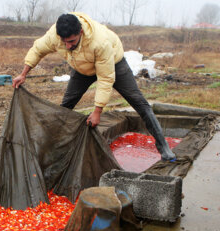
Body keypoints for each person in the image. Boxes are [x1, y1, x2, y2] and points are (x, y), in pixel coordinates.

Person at [12, 12, 176, 162]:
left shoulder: (100, 42)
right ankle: (52, 151)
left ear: (80, 32)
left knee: (140, 103)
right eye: (64, 42)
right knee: (65, 107)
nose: (67, 46)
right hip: (81, 68)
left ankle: (164, 147)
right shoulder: (55, 35)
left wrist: (97, 111)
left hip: (114, 64)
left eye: (71, 41)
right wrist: (23, 73)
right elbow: (38, 49)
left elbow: (105, 78)